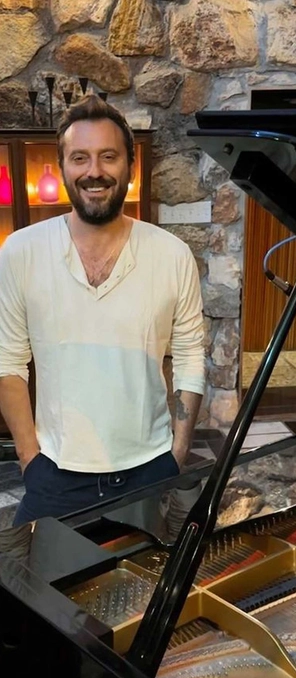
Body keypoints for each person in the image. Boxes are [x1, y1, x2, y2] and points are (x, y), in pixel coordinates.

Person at [0, 95, 206, 527]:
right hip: (53, 471)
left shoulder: (172, 255)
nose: (94, 171)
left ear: (130, 166)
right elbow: (7, 361)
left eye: (108, 156)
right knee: (27, 591)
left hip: (148, 468)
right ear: (62, 169)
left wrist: (178, 452)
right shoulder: (21, 251)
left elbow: (189, 356)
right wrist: (29, 458)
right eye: (80, 158)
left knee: (145, 592)